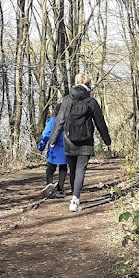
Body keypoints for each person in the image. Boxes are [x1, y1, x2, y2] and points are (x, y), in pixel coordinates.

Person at [49, 72, 111, 212]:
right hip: (86, 141)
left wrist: (53, 140)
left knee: (72, 170)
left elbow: (60, 121)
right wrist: (107, 141)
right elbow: (100, 123)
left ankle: (73, 197)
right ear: (88, 84)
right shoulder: (91, 102)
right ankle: (75, 200)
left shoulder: (66, 100)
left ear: (76, 82)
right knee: (80, 170)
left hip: (69, 140)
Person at [37, 102, 68, 199]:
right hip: (66, 149)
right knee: (63, 169)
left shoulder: (52, 121)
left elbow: (46, 134)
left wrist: (41, 146)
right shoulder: (68, 121)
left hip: (53, 149)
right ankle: (60, 189)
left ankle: (49, 185)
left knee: (50, 169)